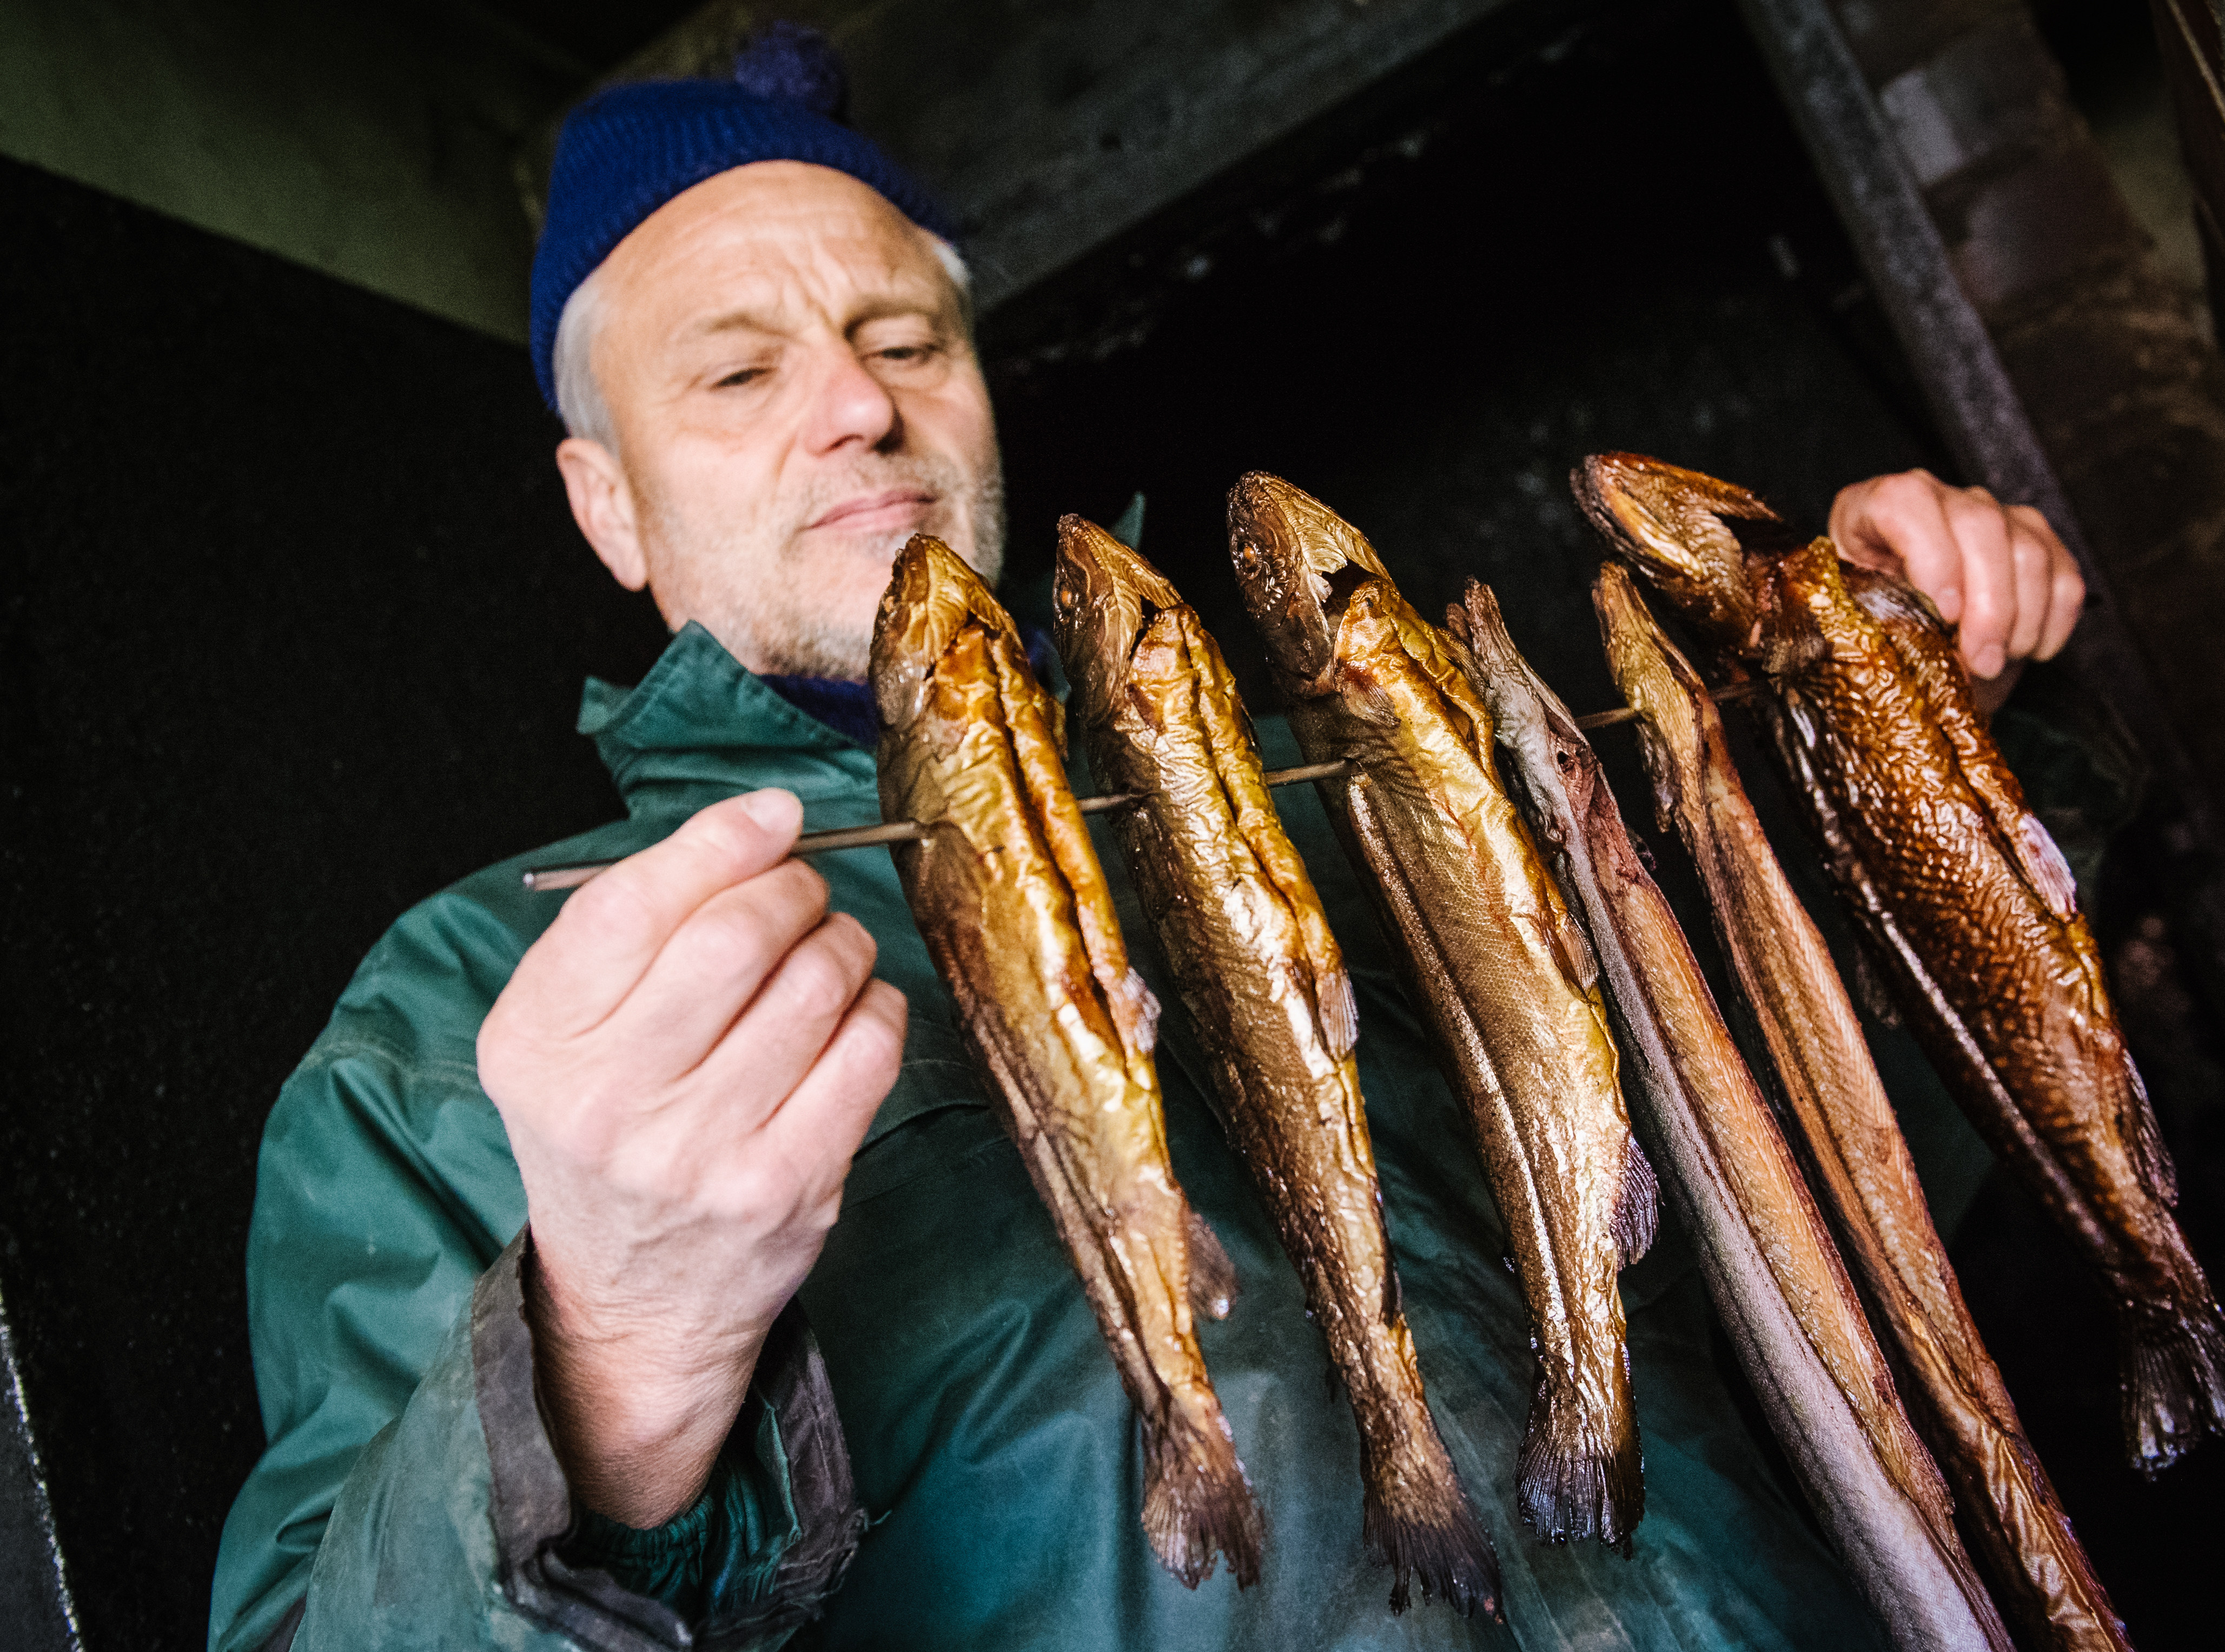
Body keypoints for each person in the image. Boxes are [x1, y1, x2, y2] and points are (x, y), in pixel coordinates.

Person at [208, 29, 2085, 1652]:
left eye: (904, 339)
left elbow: (1834, 1181)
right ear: (607, 505)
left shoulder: (1338, 778)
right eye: (736, 373)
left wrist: (1912, 777)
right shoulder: (457, 1025)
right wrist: (601, 1368)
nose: (861, 406)